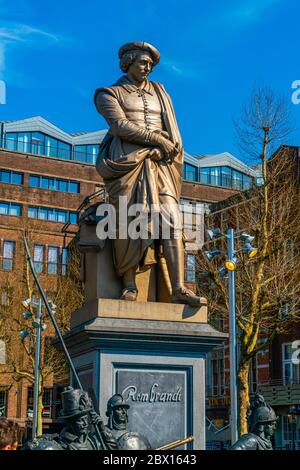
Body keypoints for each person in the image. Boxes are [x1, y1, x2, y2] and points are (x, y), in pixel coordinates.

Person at [94, 41, 203, 307]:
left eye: (151, 64)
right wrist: (158, 140)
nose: (148, 68)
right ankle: (130, 285)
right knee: (129, 222)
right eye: (143, 62)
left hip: (160, 165)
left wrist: (165, 148)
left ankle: (178, 287)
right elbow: (120, 126)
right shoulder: (108, 94)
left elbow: (173, 133)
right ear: (128, 62)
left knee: (171, 221)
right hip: (127, 165)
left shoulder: (161, 92)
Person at [57, 386, 117, 450]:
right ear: (70, 422)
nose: (85, 423)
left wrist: (102, 429)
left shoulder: (93, 441)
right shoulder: (62, 445)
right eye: (80, 420)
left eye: (86, 419)